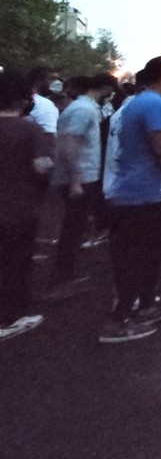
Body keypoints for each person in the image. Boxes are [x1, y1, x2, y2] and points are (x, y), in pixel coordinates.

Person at [102, 56, 161, 343]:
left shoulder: (136, 103)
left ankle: (147, 305)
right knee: (135, 258)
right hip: (140, 194)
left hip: (137, 192)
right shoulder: (154, 104)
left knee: (149, 254)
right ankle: (118, 321)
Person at [45, 73, 118, 301]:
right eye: (110, 91)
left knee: (75, 226)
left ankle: (65, 275)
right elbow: (69, 144)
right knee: (72, 228)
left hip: (82, 177)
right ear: (104, 88)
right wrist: (76, 179)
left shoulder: (83, 108)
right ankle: (62, 279)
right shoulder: (83, 110)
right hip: (79, 179)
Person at [0, 72, 53, 341]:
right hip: (19, 209)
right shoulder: (29, 130)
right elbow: (42, 168)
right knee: (16, 263)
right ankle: (11, 317)